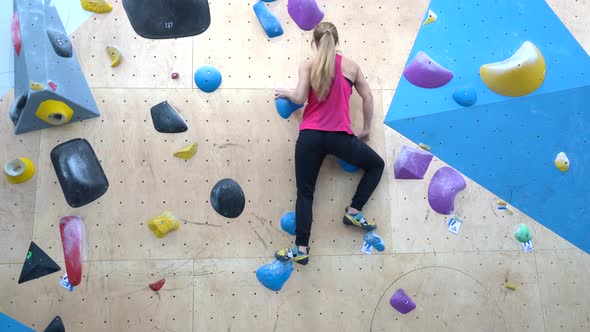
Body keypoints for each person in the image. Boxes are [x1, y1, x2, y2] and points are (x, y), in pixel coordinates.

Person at [273, 22, 385, 265]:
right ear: (337, 41)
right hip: (339, 137)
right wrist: (365, 129)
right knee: (377, 165)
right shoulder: (352, 67)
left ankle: (301, 248)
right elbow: (367, 96)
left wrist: (287, 92)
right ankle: (354, 211)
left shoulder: (307, 65)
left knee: (305, 194)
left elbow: (300, 98)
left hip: (310, 137)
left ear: (314, 43)